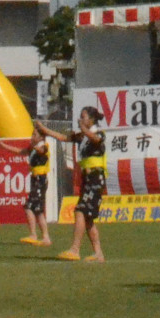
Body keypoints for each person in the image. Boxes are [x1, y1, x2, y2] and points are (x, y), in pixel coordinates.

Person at [62, 106, 108, 263]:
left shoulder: (98, 133)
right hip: (88, 179)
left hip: (95, 178)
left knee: (80, 210)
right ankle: (98, 254)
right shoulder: (83, 136)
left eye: (84, 117)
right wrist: (45, 130)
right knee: (88, 218)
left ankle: (75, 249)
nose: (81, 120)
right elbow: (63, 138)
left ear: (92, 120)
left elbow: (96, 140)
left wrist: (82, 128)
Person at [20, 122, 53, 247]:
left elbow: (41, 151)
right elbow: (20, 151)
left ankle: (39, 235)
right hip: (35, 179)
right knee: (34, 208)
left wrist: (33, 146)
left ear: (41, 137)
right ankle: (40, 236)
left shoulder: (44, 146)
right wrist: (4, 147)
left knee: (33, 208)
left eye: (34, 134)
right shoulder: (34, 148)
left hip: (40, 179)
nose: (32, 136)